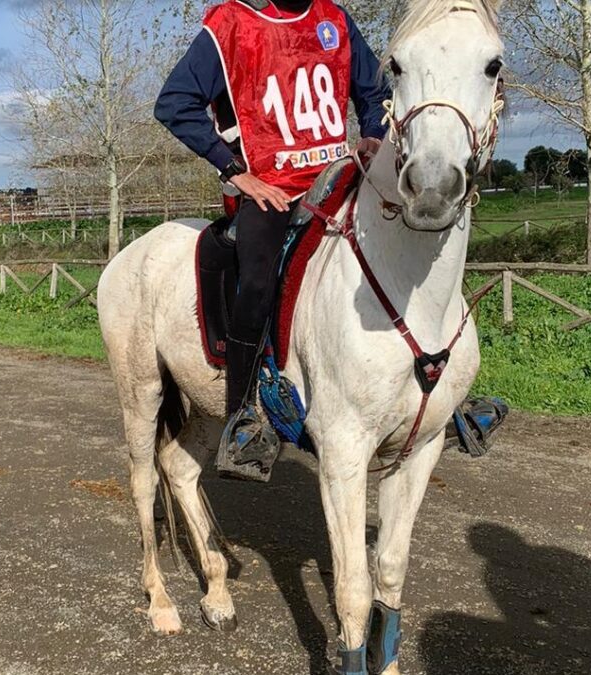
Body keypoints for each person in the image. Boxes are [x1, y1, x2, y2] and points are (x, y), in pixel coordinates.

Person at [155, 0, 507, 480]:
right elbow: (174, 103)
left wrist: (372, 134)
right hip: (270, 190)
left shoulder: (335, 20)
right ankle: (242, 417)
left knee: (413, 251)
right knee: (257, 279)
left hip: (336, 176)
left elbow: (374, 91)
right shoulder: (230, 25)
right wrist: (238, 173)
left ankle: (444, 399)